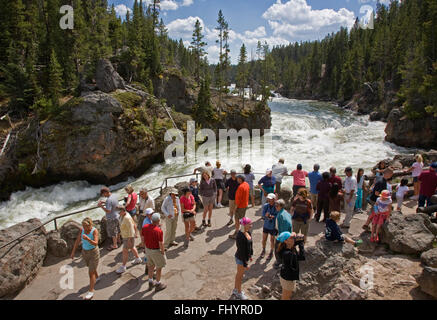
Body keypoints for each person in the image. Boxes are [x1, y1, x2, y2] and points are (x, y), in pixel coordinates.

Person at [70, 217, 100, 300]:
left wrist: (88, 239)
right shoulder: (82, 230)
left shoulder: (94, 231)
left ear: (90, 225)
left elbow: (96, 243)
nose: (84, 227)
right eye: (83, 225)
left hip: (94, 252)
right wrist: (73, 252)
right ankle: (97, 278)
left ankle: (91, 292)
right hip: (85, 253)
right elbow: (77, 241)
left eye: (85, 225)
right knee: (91, 268)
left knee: (91, 273)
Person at [276, 231, 305, 300]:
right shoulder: (287, 254)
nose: (294, 239)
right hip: (288, 279)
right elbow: (301, 257)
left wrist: (299, 240)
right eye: (291, 238)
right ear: (286, 241)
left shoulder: (284, 248)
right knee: (286, 297)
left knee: (287, 296)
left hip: (286, 276)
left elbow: (292, 244)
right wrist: (301, 243)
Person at [142, 213, 167, 292]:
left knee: (150, 266)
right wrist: (163, 251)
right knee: (159, 267)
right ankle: (158, 284)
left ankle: (150, 282)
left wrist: (144, 247)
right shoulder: (159, 231)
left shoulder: (145, 227)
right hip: (155, 250)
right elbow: (161, 243)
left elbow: (142, 238)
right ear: (159, 220)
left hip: (147, 249)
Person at [116, 206, 142, 274]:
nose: (118, 213)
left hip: (128, 237)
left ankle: (123, 266)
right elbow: (133, 224)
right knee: (132, 247)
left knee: (125, 251)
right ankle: (137, 259)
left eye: (119, 212)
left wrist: (130, 240)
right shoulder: (124, 215)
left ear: (123, 211)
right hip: (126, 236)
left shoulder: (126, 218)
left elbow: (131, 228)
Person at [232, 217, 253, 300]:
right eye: (249, 224)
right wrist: (245, 264)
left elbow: (249, 246)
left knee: (239, 275)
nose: (251, 225)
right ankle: (239, 293)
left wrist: (250, 256)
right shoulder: (240, 236)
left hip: (244, 258)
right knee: (240, 276)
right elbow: (241, 251)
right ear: (244, 225)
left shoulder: (248, 232)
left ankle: (236, 290)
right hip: (241, 258)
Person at [230, 175, 250, 239]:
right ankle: (243, 232)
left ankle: (238, 233)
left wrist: (235, 208)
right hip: (245, 204)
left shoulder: (240, 187)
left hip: (240, 206)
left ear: (241, 179)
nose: (237, 180)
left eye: (238, 179)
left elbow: (238, 199)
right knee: (242, 219)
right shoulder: (246, 184)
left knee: (237, 220)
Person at [274, 199, 292, 269]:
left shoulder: (280, 216)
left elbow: (280, 227)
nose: (275, 207)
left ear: (281, 206)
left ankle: (279, 262)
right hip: (287, 234)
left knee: (278, 250)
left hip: (282, 235)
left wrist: (280, 238)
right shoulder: (286, 213)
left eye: (277, 206)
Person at [261, 193, 278, 259]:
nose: (269, 200)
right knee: (264, 239)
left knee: (272, 240)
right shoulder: (266, 206)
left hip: (273, 226)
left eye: (270, 199)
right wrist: (266, 216)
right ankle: (263, 250)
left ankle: (271, 251)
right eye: (268, 199)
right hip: (266, 225)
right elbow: (263, 214)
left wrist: (272, 216)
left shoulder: (276, 206)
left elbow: (277, 215)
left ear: (274, 199)